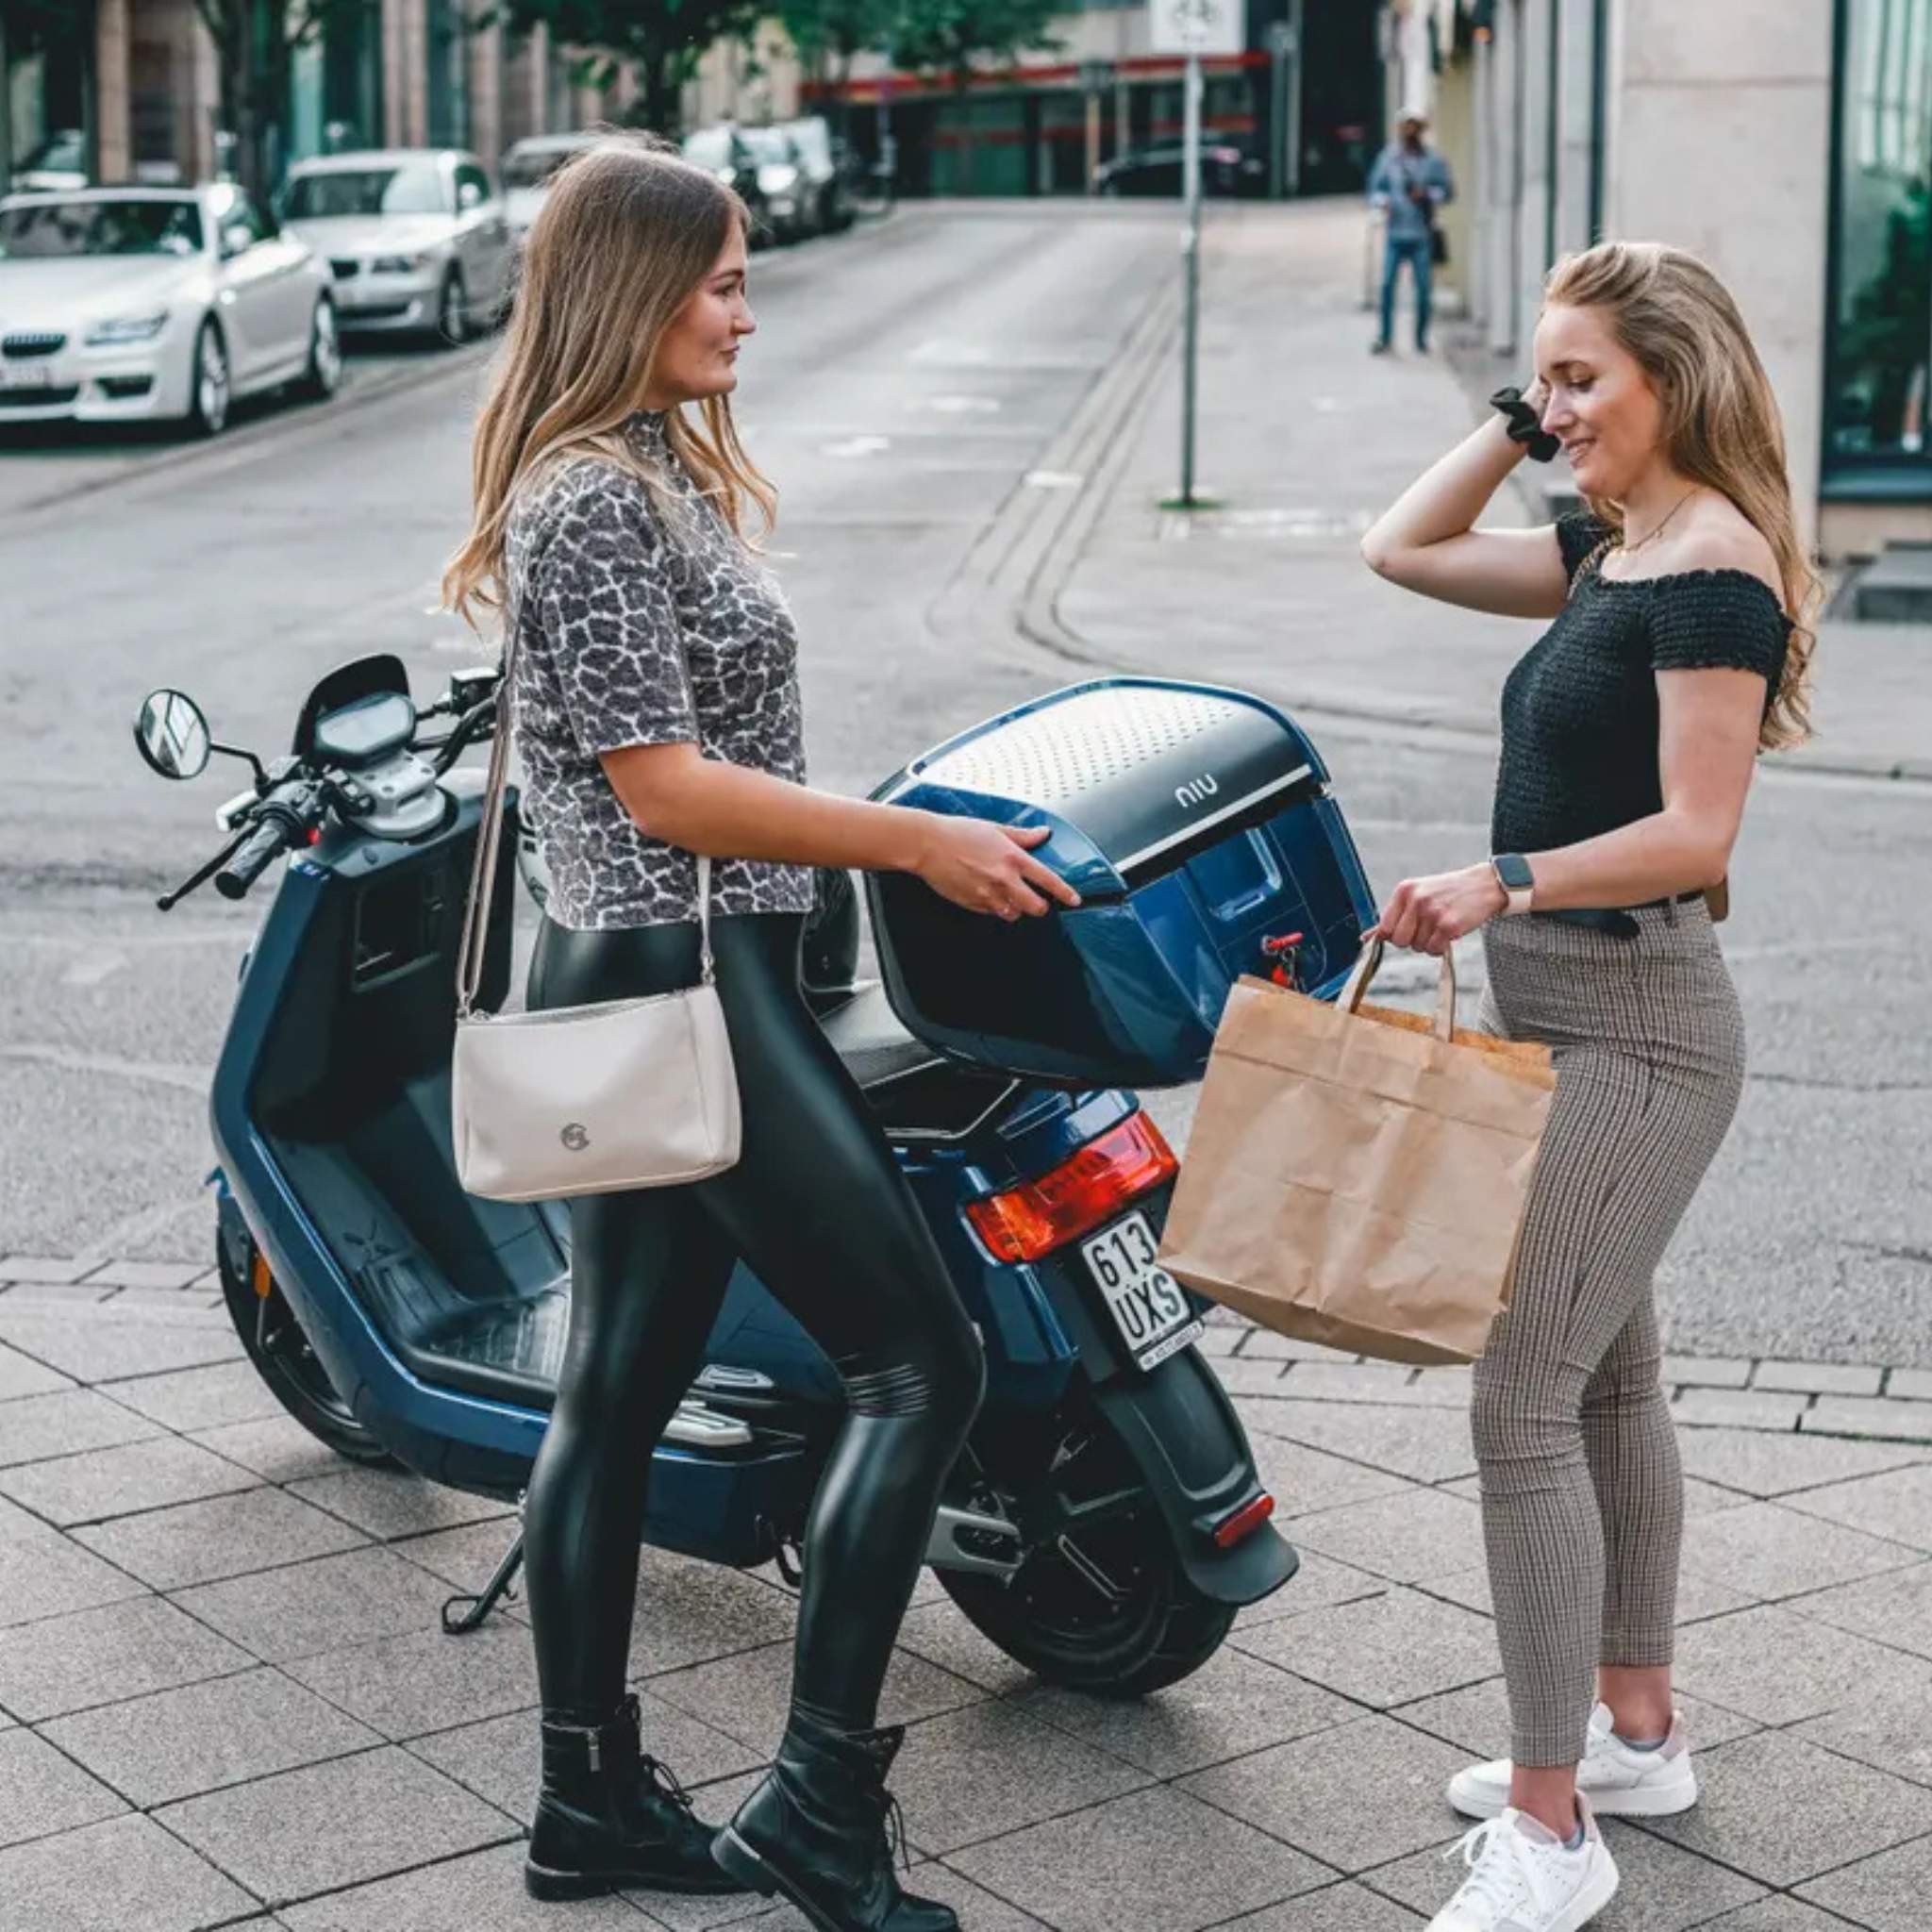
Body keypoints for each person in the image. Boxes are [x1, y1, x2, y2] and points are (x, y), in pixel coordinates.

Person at [442, 133, 1080, 1929]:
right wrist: (914, 841)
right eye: (720, 277)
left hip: (674, 979)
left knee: (616, 1392)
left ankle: (588, 1811)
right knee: (919, 1364)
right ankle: (812, 1808)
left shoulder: (649, 470)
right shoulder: (585, 497)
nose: (748, 301)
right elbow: (671, 791)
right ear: (630, 292)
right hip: (678, 980)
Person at [1357, 241, 1816, 1932]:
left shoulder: (1710, 571)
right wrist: (1511, 415)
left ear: (1671, 377)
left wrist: (1502, 878)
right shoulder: (1605, 548)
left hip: (1639, 1027)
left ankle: (1550, 1828)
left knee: (1517, 1398)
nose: (1554, 411)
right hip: (1559, 1023)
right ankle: (1634, 1730)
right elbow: (1393, 546)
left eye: (1580, 381)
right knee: (1608, 1386)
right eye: (1540, 379)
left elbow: (1698, 832)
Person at [1367, 111, 1454, 356]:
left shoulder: (1433, 160)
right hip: (1395, 232)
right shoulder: (1389, 159)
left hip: (1421, 234)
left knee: (1424, 289)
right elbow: (1375, 189)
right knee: (1386, 286)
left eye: (1414, 127)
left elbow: (1447, 191)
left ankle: (1421, 338)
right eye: (1406, 127)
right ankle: (1384, 337)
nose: (1410, 132)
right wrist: (1382, 202)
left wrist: (1426, 195)